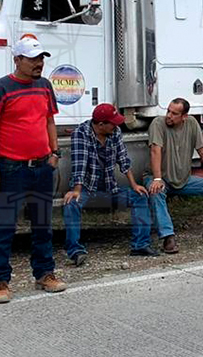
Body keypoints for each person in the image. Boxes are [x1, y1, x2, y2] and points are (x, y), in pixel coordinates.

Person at [0, 35, 66, 305]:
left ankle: (44, 274)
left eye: (41, 58)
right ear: (17, 60)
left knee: (43, 224)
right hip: (11, 169)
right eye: (33, 59)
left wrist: (54, 152)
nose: (39, 64)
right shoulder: (0, 89)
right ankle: (0, 282)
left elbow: (49, 120)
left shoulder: (44, 86)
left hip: (42, 167)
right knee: (4, 226)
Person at [63, 103, 156, 266]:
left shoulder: (115, 132)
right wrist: (76, 190)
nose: (116, 125)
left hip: (109, 188)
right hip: (87, 188)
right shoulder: (81, 133)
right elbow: (80, 163)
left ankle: (140, 245)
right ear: (100, 124)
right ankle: (76, 251)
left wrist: (134, 185)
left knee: (139, 197)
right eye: (113, 122)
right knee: (72, 204)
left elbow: (123, 159)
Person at [146, 98, 203, 253]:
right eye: (168, 111)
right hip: (160, 177)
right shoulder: (158, 123)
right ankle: (167, 236)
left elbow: (202, 150)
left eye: (174, 113)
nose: (169, 115)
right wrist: (157, 179)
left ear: (184, 116)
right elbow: (155, 150)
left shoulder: (191, 124)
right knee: (156, 191)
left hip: (183, 179)